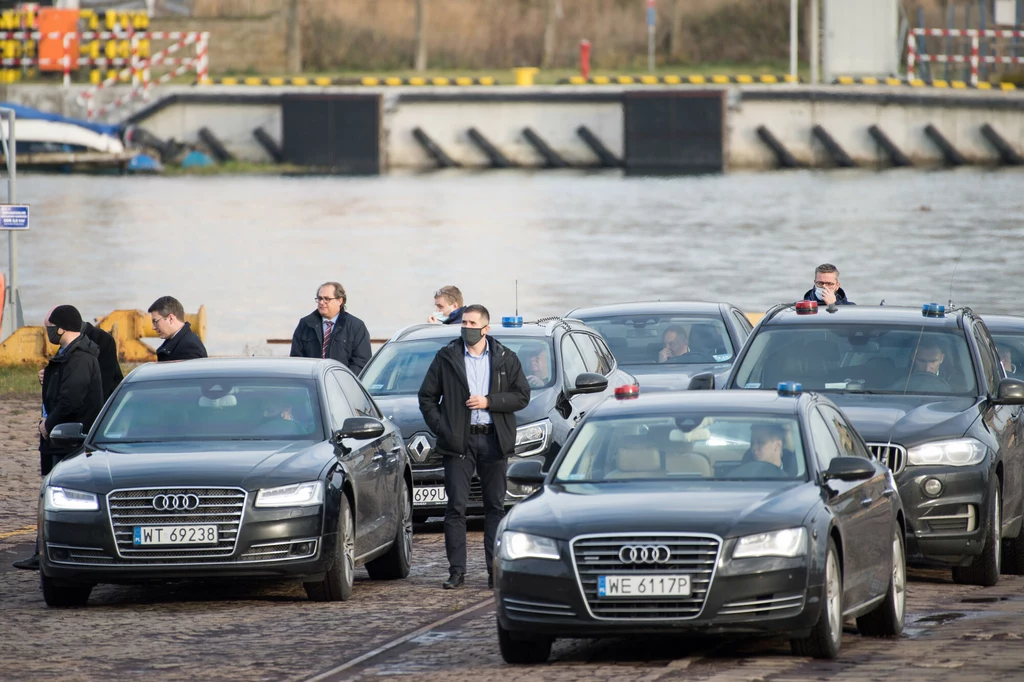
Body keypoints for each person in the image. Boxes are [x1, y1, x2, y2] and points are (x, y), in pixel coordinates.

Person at [417, 304, 530, 590]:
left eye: (471, 323)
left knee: (494, 507)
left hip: (493, 439)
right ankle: (457, 572)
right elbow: (426, 397)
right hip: (460, 443)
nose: (466, 327)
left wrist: (490, 401)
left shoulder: (506, 357)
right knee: (455, 508)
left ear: (485, 328)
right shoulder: (447, 356)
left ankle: (495, 572)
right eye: (463, 322)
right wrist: (444, 428)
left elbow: (522, 396)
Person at [14, 304, 104, 571]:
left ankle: (51, 551)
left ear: (61, 327)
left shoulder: (79, 358)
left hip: (68, 438)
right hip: (62, 436)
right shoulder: (71, 354)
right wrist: (50, 376)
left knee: (57, 495)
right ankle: (42, 550)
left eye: (49, 327)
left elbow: (72, 399)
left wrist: (48, 424)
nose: (48, 332)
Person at [290, 282, 372, 374]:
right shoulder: (305, 324)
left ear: (340, 301)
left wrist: (343, 381)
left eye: (327, 299)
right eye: (320, 298)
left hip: (342, 384)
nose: (321, 302)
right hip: (311, 384)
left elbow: (361, 362)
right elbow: (296, 359)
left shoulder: (355, 326)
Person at [37, 315, 123, 403]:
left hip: (101, 406)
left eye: (51, 329)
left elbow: (102, 380)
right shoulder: (66, 343)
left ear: (61, 328)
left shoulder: (101, 339)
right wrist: (49, 377)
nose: (50, 333)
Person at [148, 296, 208, 362]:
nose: (153, 327)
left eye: (155, 321)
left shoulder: (189, 347)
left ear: (171, 318)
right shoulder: (182, 342)